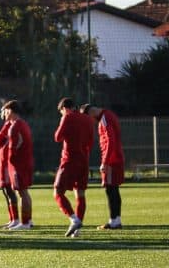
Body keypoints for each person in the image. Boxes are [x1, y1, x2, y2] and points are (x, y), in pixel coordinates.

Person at [54, 97, 95, 237]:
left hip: (69, 160)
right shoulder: (88, 119)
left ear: (64, 108)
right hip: (84, 160)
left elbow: (57, 137)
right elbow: (91, 142)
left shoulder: (67, 117)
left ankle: (73, 219)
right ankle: (77, 231)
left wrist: (63, 120)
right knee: (81, 194)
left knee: (58, 192)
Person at [80, 104, 125, 230]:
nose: (91, 122)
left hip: (112, 160)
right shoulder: (107, 116)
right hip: (114, 158)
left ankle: (114, 222)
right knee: (112, 189)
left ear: (92, 113)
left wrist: (105, 161)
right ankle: (115, 220)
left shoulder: (105, 118)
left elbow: (110, 140)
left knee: (111, 189)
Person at [4, 100, 34, 230]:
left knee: (22, 193)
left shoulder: (15, 126)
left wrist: (11, 159)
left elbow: (14, 146)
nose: (4, 114)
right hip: (25, 162)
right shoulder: (24, 124)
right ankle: (28, 221)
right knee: (24, 192)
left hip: (19, 164)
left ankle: (25, 222)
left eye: (5, 111)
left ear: (10, 110)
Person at [0, 109, 18, 228]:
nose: (3, 114)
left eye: (5, 111)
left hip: (6, 162)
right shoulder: (6, 125)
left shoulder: (10, 125)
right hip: (1, 161)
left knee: (9, 190)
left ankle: (16, 219)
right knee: (5, 191)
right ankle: (12, 218)